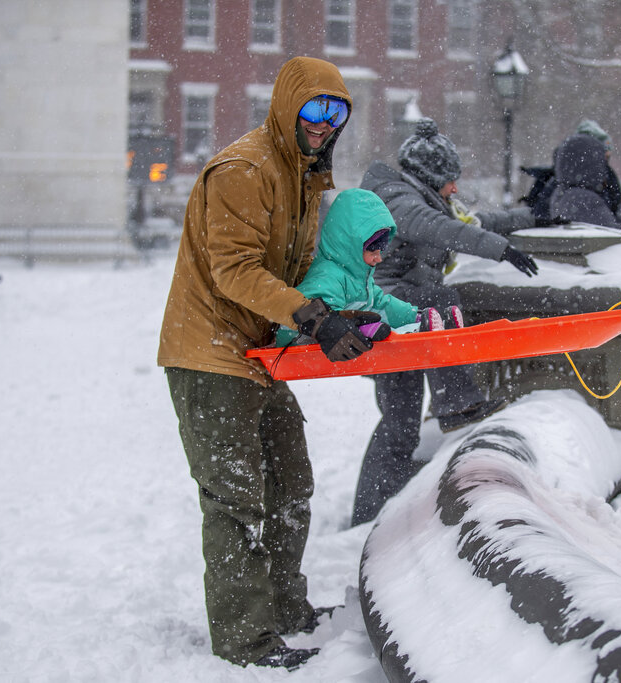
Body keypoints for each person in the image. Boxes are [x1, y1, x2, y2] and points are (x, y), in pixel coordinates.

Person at [157, 56, 379, 671]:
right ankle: (244, 639)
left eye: (338, 110)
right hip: (210, 353)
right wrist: (310, 318)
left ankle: (285, 607)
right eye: (315, 107)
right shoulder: (245, 169)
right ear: (288, 105)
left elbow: (297, 272)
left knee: (291, 485)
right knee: (235, 499)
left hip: (259, 354)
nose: (325, 121)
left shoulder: (304, 177)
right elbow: (236, 271)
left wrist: (343, 310)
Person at [352, 117, 542, 525]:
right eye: (450, 179)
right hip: (381, 310)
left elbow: (475, 222)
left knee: (400, 426)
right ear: (428, 176)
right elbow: (436, 227)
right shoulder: (394, 199)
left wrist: (533, 215)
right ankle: (457, 404)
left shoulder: (424, 197)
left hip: (400, 321)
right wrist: (500, 251)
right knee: (439, 299)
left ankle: (372, 518)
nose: (455, 187)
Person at [275, 187, 453, 346]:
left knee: (383, 321)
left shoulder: (357, 277)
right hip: (296, 344)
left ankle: (427, 325)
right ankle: (414, 330)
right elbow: (320, 320)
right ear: (349, 244)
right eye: (373, 249)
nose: (379, 258)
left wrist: (414, 315)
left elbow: (380, 305)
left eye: (381, 250)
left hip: (333, 342)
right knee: (379, 330)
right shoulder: (327, 276)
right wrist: (362, 329)